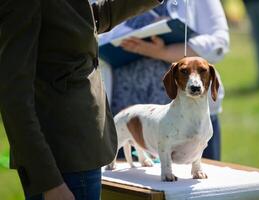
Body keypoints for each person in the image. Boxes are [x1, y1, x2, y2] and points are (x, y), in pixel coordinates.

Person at [0, 0, 163, 199]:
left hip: (83, 152)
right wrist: (49, 182)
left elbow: (86, 20)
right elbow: (14, 96)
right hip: (62, 161)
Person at [100, 0, 229, 161]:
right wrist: (135, 33)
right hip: (126, 113)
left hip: (192, 117)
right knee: (120, 178)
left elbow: (219, 42)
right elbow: (89, 30)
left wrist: (164, 51)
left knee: (195, 182)